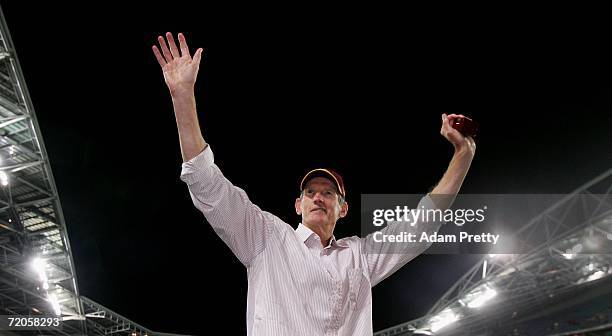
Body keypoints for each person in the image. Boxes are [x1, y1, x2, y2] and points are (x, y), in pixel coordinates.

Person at [152, 32, 476, 336]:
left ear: (343, 208)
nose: (318, 197)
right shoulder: (266, 237)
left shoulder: (359, 256)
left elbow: (421, 227)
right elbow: (207, 184)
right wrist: (182, 97)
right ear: (298, 205)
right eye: (310, 192)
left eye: (329, 193)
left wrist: (462, 154)